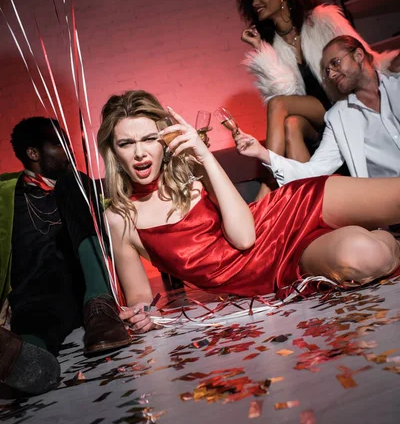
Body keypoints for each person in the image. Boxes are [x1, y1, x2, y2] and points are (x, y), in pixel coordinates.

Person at [97, 90, 400, 334]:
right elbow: (140, 299)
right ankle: (389, 239)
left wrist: (204, 156)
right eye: (126, 143)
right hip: (279, 266)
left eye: (149, 138)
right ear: (113, 151)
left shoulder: (193, 170)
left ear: (163, 139)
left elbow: (244, 233)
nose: (139, 153)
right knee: (369, 257)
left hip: (288, 210)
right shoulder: (121, 219)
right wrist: (141, 314)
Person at [0, 117, 131, 396]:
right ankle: (21, 360)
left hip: (82, 289)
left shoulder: (77, 186)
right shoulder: (7, 198)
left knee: (73, 179)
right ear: (33, 154)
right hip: (32, 298)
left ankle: (101, 305)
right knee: (35, 332)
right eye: (59, 144)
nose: (69, 151)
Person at [236, 0, 395, 178]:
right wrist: (260, 48)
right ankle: (312, 197)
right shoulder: (271, 42)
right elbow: (285, 90)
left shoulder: (322, 20)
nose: (255, 2)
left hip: (340, 103)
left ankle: (268, 186)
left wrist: (392, 64)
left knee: (279, 105)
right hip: (314, 117)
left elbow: (361, 54)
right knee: (291, 123)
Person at [234, 36, 400, 183]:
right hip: (387, 205)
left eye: (335, 63)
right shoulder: (338, 119)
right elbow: (312, 171)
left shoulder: (396, 87)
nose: (332, 74)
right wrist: (261, 153)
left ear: (358, 55)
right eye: (327, 71)